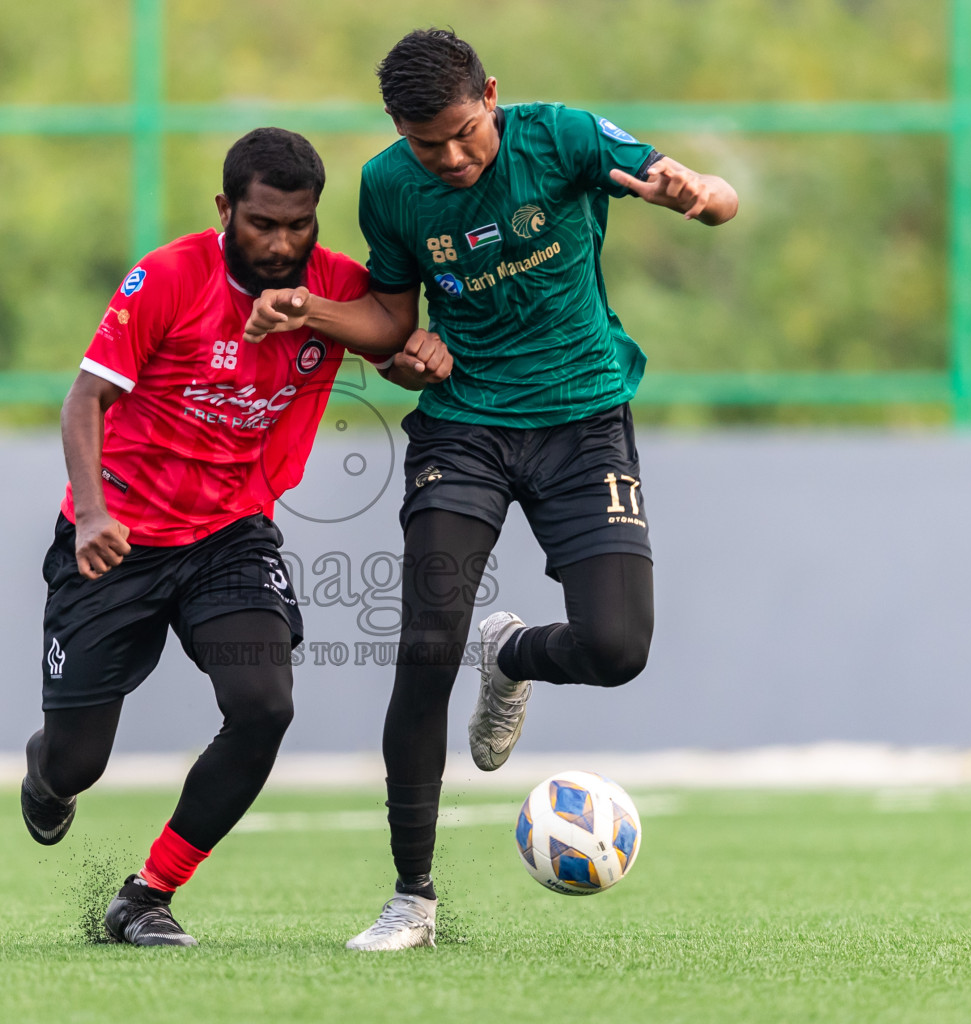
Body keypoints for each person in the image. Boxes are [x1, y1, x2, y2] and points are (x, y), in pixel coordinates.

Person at [243, 29, 738, 950]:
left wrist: (699, 195)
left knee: (618, 646)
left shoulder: (564, 138)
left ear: (493, 97)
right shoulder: (389, 186)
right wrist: (333, 322)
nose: (454, 157)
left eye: (466, 133)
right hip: (463, 428)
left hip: (584, 419)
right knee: (427, 646)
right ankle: (412, 896)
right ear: (399, 130)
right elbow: (393, 322)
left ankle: (511, 656)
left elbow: (720, 199)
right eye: (429, 143)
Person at [19, 127, 451, 947]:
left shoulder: (334, 288)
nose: (283, 244)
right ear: (226, 210)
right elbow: (84, 400)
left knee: (264, 706)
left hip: (230, 535)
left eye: (300, 224)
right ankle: (48, 772)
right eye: (263, 224)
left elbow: (388, 345)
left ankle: (146, 895)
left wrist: (420, 356)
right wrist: (93, 511)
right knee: (78, 761)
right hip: (116, 537)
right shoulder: (169, 277)